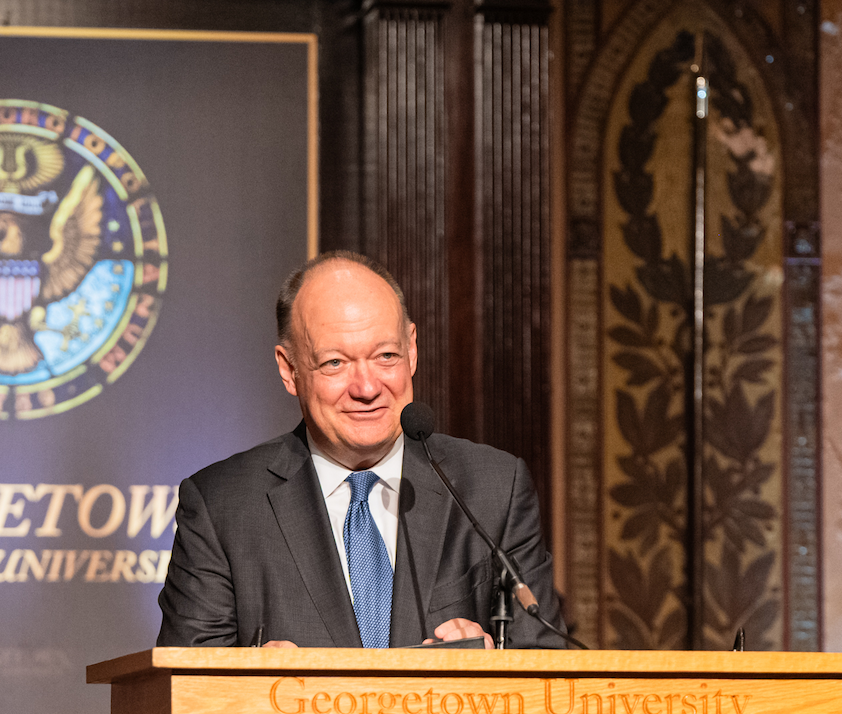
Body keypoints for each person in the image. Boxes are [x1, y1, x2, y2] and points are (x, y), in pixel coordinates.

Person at [157, 251, 566, 648]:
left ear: (412, 349)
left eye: (386, 356)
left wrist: (485, 674)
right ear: (289, 369)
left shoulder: (493, 489)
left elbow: (547, 674)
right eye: (335, 363)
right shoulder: (223, 507)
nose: (367, 388)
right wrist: (251, 688)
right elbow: (181, 695)